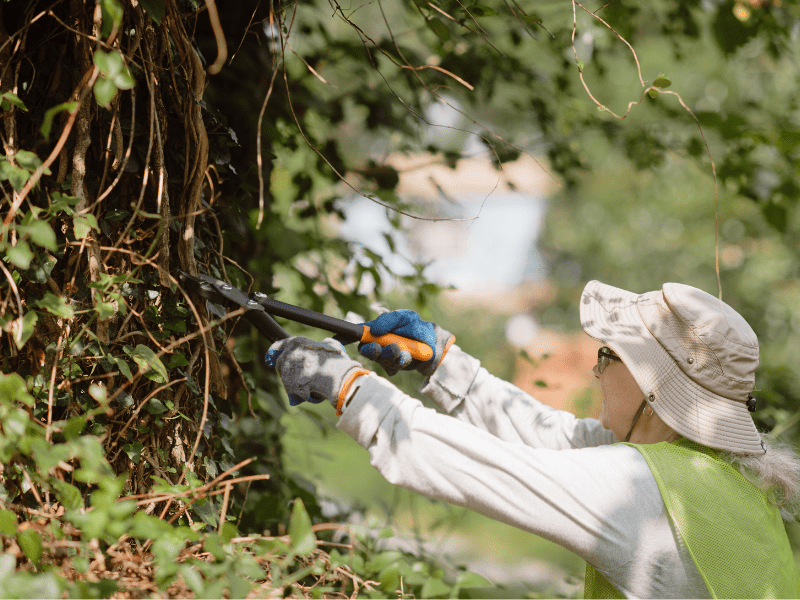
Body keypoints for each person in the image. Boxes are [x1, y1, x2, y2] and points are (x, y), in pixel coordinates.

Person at [266, 280, 800, 598]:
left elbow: (489, 468)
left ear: (650, 387)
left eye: (607, 356)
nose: (595, 372)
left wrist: (347, 387)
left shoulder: (642, 492)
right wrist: (449, 369)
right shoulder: (720, 481)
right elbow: (554, 440)